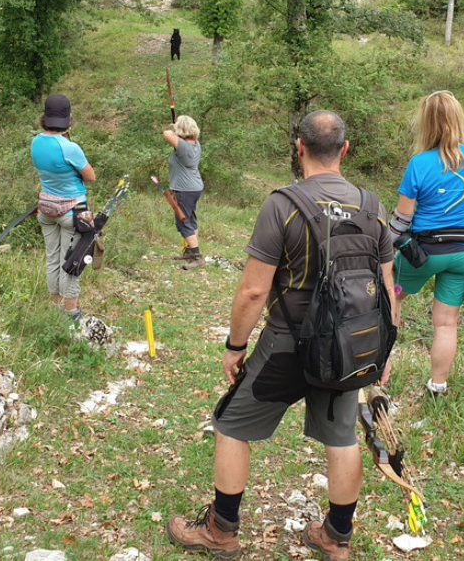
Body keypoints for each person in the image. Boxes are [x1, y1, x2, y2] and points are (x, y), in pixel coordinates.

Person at [166, 110, 397, 561]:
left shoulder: (283, 204)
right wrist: (383, 351)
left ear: (300, 148)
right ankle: (336, 538)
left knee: (231, 424)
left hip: (287, 347)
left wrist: (235, 348)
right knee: (342, 437)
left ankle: (222, 531)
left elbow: (254, 290)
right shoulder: (373, 207)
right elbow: (387, 292)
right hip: (349, 350)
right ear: (345, 150)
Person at [390, 90, 464, 398]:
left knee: (392, 300)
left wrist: (384, 244)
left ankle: (377, 374)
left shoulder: (419, 164)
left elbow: (402, 219)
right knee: (446, 323)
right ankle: (437, 387)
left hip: (422, 254)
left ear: (427, 124)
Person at [30, 94, 96, 323]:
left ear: (44, 119)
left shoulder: (36, 142)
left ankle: (55, 305)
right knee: (71, 260)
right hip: (71, 212)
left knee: (52, 257)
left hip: (46, 209)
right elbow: (90, 176)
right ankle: (71, 312)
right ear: (69, 120)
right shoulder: (70, 148)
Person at [163, 115, 206, 269]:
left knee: (184, 221)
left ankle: (197, 255)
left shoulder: (183, 146)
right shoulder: (195, 144)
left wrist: (174, 128)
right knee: (190, 219)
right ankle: (189, 251)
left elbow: (167, 134)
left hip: (185, 189)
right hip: (194, 187)